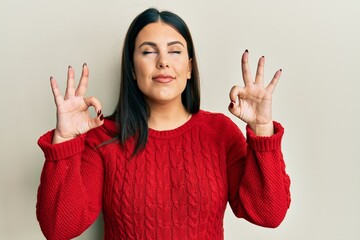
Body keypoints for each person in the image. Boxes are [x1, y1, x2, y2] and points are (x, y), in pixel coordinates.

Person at [36, 7, 291, 240]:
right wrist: (65, 140)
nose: (163, 61)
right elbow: (58, 228)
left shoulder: (220, 133)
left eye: (175, 51)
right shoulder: (103, 137)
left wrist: (262, 130)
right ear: (133, 69)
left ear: (189, 68)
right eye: (148, 51)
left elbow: (268, 214)